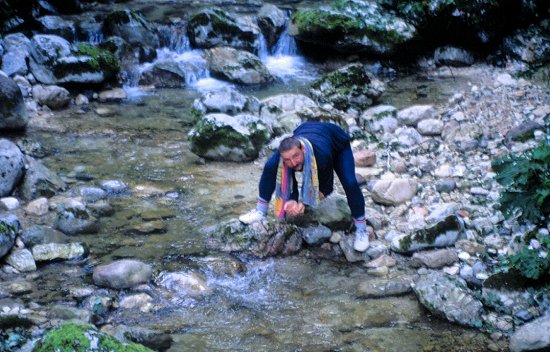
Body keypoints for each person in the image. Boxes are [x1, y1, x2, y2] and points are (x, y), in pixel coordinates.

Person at [239, 121, 370, 252]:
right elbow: (286, 178)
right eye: (288, 160)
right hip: (310, 130)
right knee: (269, 167)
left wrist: (303, 203)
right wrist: (291, 199)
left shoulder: (321, 156)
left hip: (337, 143)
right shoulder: (281, 159)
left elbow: (327, 188)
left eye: (296, 156)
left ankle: (362, 230)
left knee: (350, 183)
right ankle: (260, 211)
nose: (293, 162)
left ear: (303, 149)